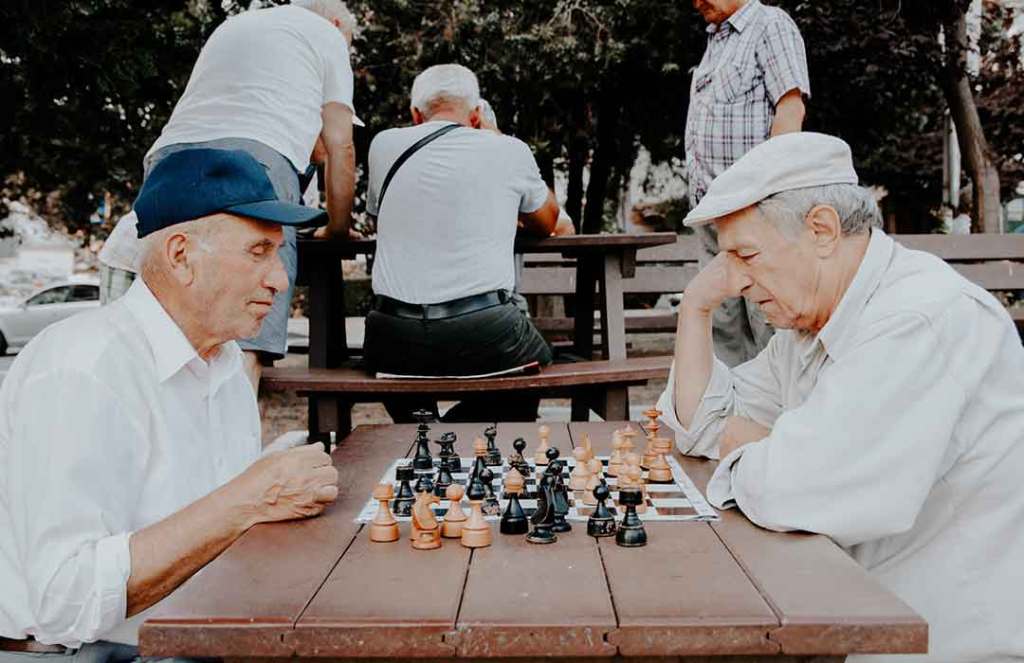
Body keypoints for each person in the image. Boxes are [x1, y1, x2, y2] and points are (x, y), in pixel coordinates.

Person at [658, 132, 1024, 662]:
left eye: (746, 255)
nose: (734, 282)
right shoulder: (810, 326)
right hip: (855, 614)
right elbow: (701, 427)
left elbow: (796, 489)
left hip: (940, 641)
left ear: (822, 230)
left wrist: (768, 450)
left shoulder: (917, 320)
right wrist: (694, 308)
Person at [0, 149, 340, 662]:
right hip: (75, 653)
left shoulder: (224, 362)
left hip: (190, 636)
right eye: (258, 251)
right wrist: (249, 499)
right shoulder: (83, 367)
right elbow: (65, 601)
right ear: (181, 255)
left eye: (277, 253)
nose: (279, 279)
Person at [99, 0, 360, 389]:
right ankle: (234, 426)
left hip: (170, 155)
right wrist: (337, 229)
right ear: (338, 23)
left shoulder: (237, 25)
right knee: (247, 329)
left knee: (170, 327)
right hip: (258, 157)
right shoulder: (327, 34)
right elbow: (341, 146)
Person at [363, 63, 572, 423]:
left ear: (415, 114)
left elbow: (379, 217)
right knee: (536, 365)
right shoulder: (508, 150)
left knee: (396, 361)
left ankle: (422, 429)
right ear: (476, 115)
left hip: (392, 335)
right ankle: (450, 433)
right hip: (485, 330)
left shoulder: (382, 145)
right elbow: (548, 221)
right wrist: (495, 133)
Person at [686, 0, 810, 367]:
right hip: (711, 211)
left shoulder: (771, 25)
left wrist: (768, 198)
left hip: (754, 211)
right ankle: (729, 404)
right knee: (721, 328)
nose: (696, 2)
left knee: (768, 324)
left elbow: (791, 110)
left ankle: (780, 404)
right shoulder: (716, 38)